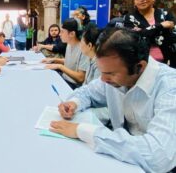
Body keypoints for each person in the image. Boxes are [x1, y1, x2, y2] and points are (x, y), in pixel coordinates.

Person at [50, 28, 176, 173]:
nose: (103, 79)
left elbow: (158, 156)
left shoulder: (170, 87)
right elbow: (87, 92)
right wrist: (74, 103)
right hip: (122, 158)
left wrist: (83, 131)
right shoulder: (113, 77)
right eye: (101, 71)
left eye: (110, 73)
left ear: (139, 67)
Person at [124, 0, 176, 68]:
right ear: (134, 2)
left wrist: (146, 32)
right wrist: (160, 26)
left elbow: (172, 36)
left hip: (169, 62)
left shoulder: (165, 13)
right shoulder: (130, 18)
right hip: (143, 64)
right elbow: (134, 38)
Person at [43, 19, 88, 89]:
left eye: (62, 32)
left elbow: (80, 78)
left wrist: (60, 66)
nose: (59, 34)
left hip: (73, 85)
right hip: (64, 78)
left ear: (72, 34)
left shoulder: (84, 49)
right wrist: (53, 59)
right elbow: (70, 61)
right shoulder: (69, 44)